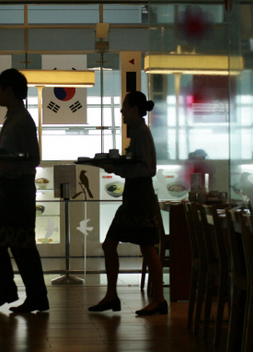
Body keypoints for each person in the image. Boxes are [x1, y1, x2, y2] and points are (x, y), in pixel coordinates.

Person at [88, 91, 167, 316]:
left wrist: (117, 168)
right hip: (135, 198)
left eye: (124, 107)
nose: (121, 111)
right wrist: (119, 168)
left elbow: (147, 169)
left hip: (139, 200)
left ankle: (157, 299)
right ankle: (115, 295)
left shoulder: (141, 133)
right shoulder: (138, 132)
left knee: (145, 248)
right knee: (123, 245)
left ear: (133, 109)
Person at [0, 68, 49, 313]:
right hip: (15, 189)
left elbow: (33, 159)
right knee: (18, 244)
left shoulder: (21, 120)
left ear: (9, 90)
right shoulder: (16, 117)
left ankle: (14, 292)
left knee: (10, 242)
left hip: (17, 190)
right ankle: (26, 294)